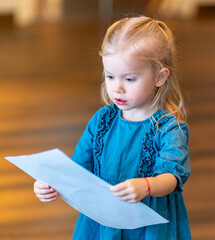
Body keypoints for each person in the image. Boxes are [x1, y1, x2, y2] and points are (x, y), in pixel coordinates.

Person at [33, 16, 191, 240]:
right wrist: (51, 183)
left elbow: (172, 177)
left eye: (129, 79)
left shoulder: (168, 128)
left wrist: (147, 186)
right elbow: (77, 169)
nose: (117, 88)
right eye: (110, 76)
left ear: (159, 76)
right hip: (102, 221)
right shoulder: (102, 121)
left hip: (148, 225)